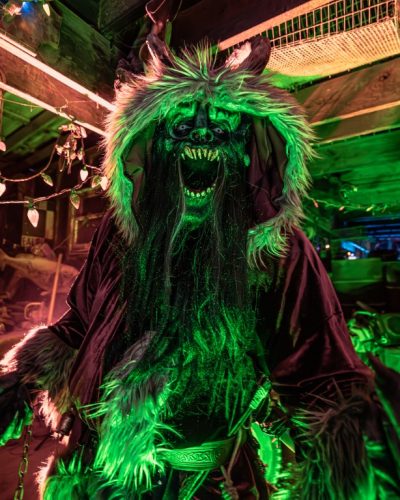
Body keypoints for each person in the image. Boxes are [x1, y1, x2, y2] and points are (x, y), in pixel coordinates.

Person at [1, 36, 399, 499]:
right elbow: (81, 324)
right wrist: (18, 378)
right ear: (154, 144)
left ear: (248, 148)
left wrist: (354, 456)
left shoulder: (276, 252)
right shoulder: (120, 232)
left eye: (222, 127)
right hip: (88, 470)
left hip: (196, 485)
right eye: (182, 126)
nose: (202, 135)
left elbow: (321, 371)